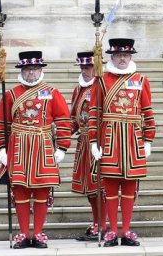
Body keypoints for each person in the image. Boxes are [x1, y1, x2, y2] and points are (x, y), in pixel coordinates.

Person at [0, 51, 72, 249]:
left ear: (40, 70)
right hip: (18, 147)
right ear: (22, 70)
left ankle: (37, 233)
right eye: (28, 69)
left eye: (35, 69)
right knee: (19, 191)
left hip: (43, 145)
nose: (31, 73)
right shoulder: (10, 94)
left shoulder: (52, 93)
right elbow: (2, 123)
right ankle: (23, 233)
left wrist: (62, 147)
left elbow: (63, 121)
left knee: (41, 191)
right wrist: (1, 147)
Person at [88, 38, 156, 246]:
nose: (122, 59)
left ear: (131, 57)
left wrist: (148, 139)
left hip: (133, 139)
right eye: (118, 56)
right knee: (109, 187)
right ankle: (112, 230)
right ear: (112, 57)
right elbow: (94, 113)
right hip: (109, 139)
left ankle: (125, 230)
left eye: (126, 55)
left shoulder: (141, 80)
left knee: (129, 187)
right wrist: (93, 141)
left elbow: (147, 111)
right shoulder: (101, 80)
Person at [70, 51, 102, 241]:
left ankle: (104, 224)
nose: (85, 71)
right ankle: (97, 221)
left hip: (99, 142)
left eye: (88, 67)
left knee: (101, 187)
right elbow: (73, 118)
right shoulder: (79, 89)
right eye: (82, 67)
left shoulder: (103, 86)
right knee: (90, 188)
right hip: (83, 142)